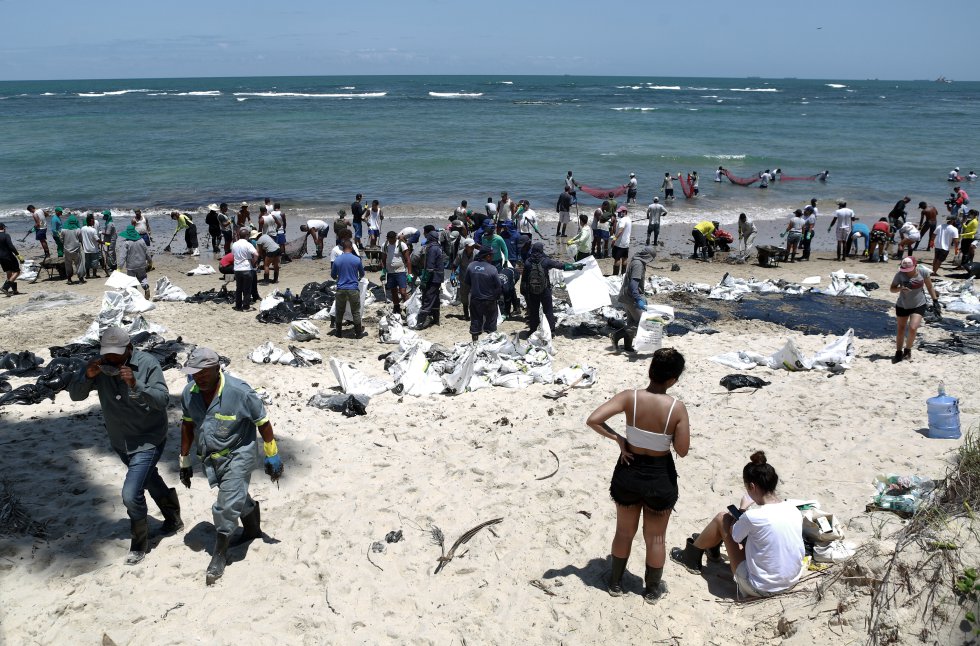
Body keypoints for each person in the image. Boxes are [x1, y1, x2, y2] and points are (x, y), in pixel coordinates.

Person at [68, 326, 181, 565]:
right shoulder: (98, 365)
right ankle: (173, 519)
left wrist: (135, 384)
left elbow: (162, 400)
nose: (111, 358)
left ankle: (140, 543)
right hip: (120, 440)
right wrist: (87, 376)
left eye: (116, 354)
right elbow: (75, 396)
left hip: (148, 439)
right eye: (107, 353)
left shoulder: (148, 363)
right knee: (149, 478)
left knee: (130, 494)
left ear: (129, 348)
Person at [586, 348, 690, 603]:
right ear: (673, 380)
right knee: (655, 537)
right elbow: (682, 450)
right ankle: (652, 589)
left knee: (623, 532)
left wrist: (618, 439)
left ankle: (615, 582)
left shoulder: (629, 397)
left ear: (649, 370)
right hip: (659, 475)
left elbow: (594, 419)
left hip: (629, 470)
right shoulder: (676, 408)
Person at [177, 347, 283, 585]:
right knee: (235, 496)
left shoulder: (239, 392)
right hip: (211, 458)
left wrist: (272, 455)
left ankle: (220, 554)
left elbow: (262, 422)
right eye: (194, 373)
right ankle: (252, 530)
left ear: (217, 368)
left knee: (225, 506)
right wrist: (184, 460)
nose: (198, 377)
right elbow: (187, 425)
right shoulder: (189, 393)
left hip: (239, 454)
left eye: (203, 373)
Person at [671, 452, 804, 599]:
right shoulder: (793, 509)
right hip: (791, 581)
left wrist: (742, 510)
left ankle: (690, 558)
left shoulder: (753, 516)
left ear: (752, 486)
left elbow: (734, 535)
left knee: (723, 519)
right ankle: (712, 549)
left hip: (760, 587)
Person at [521, 242, 583, 335]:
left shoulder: (528, 262)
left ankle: (533, 330)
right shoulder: (546, 261)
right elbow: (561, 266)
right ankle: (551, 330)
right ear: (541, 250)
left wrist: (524, 292)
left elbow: (524, 279)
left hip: (532, 291)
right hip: (545, 290)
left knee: (534, 311)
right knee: (548, 310)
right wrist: (575, 266)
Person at [890, 257, 940, 363]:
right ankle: (898, 352)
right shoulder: (899, 274)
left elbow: (930, 287)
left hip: (919, 304)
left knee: (913, 328)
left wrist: (935, 301)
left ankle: (907, 350)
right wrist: (900, 288)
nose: (906, 272)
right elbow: (892, 289)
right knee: (901, 329)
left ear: (915, 266)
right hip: (902, 305)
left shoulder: (923, 272)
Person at [613, 247, 656, 352]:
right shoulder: (638, 264)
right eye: (651, 258)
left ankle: (627, 346)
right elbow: (633, 285)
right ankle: (616, 335)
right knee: (641, 323)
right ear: (647, 256)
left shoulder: (636, 261)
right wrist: (638, 299)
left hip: (627, 296)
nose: (650, 261)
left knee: (631, 322)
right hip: (632, 297)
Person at [463, 246, 502, 341]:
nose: (492, 257)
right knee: (491, 322)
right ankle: (491, 342)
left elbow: (467, 282)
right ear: (487, 256)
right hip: (489, 300)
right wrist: (496, 297)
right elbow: (498, 286)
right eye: (492, 255)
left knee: (475, 321)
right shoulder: (492, 269)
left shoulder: (471, 266)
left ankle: (475, 342)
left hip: (475, 299)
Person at [331, 239, 365, 338]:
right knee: (355, 312)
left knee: (339, 311)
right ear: (351, 247)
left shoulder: (337, 260)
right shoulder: (357, 259)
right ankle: (358, 333)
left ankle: (338, 332)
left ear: (343, 248)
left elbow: (333, 275)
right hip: (353, 289)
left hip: (341, 288)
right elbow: (362, 274)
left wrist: (339, 277)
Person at [415, 229, 445, 330]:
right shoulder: (438, 247)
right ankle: (436, 319)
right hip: (438, 277)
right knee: (435, 298)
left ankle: (421, 323)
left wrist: (424, 281)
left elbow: (430, 267)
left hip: (433, 278)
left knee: (427, 298)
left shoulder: (432, 249)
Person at [382, 230, 412, 316]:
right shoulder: (385, 246)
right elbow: (383, 259)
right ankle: (396, 307)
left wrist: (409, 273)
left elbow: (408, 260)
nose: (391, 241)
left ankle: (408, 307)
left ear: (395, 238)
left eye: (393, 239)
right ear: (387, 239)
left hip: (401, 271)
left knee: (403, 292)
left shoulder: (401, 245)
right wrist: (383, 271)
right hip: (390, 272)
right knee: (393, 291)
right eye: (389, 239)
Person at [117, 225, 151, 298]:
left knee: (132, 281)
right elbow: (147, 252)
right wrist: (150, 262)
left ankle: (136, 296)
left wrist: (119, 267)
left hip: (131, 266)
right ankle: (146, 287)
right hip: (142, 264)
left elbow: (123, 256)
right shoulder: (142, 241)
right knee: (142, 277)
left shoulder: (127, 243)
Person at [231, 227, 258, 311]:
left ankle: (238, 306)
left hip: (237, 269)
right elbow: (256, 254)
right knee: (247, 289)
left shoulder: (234, 244)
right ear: (247, 235)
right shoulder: (248, 244)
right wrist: (253, 262)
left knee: (239, 288)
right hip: (246, 268)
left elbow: (233, 255)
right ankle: (246, 306)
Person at [0, 223, 23, 297]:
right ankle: (5, 287)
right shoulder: (6, 235)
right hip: (8, 256)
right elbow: (11, 246)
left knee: (9, 272)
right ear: (3, 228)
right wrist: (18, 255)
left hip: (1, 257)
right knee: (17, 271)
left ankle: (14, 290)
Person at [61, 214, 85, 285]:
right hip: (76, 250)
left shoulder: (63, 230)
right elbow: (81, 239)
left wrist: (66, 243)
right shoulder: (78, 230)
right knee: (79, 264)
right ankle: (80, 279)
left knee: (68, 265)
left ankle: (69, 280)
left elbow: (61, 239)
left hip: (67, 250)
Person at [611, 208, 632, 276]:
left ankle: (615, 275)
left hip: (619, 243)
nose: (619, 213)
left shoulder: (622, 220)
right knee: (624, 258)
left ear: (625, 212)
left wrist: (614, 239)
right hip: (626, 243)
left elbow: (620, 231)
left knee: (617, 259)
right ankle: (623, 274)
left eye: (620, 212)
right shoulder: (629, 219)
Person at [81, 214, 102, 279]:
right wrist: (103, 243)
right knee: (94, 261)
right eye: (93, 220)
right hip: (93, 249)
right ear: (90, 221)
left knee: (87, 262)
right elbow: (97, 239)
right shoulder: (93, 230)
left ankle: (87, 275)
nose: (94, 222)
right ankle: (94, 274)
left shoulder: (83, 228)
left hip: (86, 249)